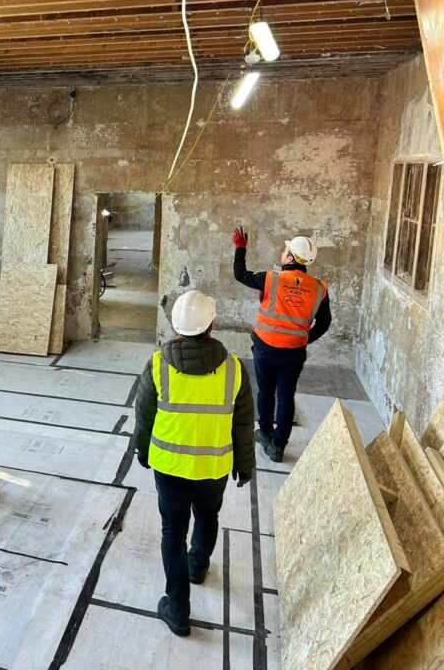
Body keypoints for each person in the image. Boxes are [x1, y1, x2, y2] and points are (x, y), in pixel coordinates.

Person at [134, 290, 255, 637]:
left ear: (174, 326)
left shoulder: (157, 364)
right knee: (207, 515)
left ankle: (178, 609)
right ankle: (197, 565)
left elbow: (143, 417)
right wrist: (244, 464)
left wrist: (142, 450)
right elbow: (244, 423)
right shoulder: (233, 368)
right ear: (212, 325)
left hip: (169, 467)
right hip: (212, 466)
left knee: (172, 531)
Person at [233, 228, 331, 463]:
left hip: (265, 349)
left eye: (285, 249)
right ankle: (278, 446)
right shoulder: (319, 288)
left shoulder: (271, 279)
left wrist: (240, 247)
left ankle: (265, 434)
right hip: (294, 354)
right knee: (286, 397)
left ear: (290, 258)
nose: (282, 251)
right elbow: (325, 322)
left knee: (266, 392)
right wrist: (305, 339)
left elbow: (240, 274)